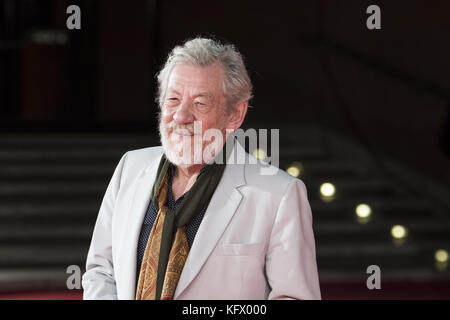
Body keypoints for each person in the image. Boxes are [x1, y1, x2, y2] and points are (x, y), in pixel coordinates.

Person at [82, 37, 321, 300]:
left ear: (235, 114)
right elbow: (101, 271)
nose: (181, 116)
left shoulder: (279, 194)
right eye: (173, 99)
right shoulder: (129, 167)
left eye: (200, 103)